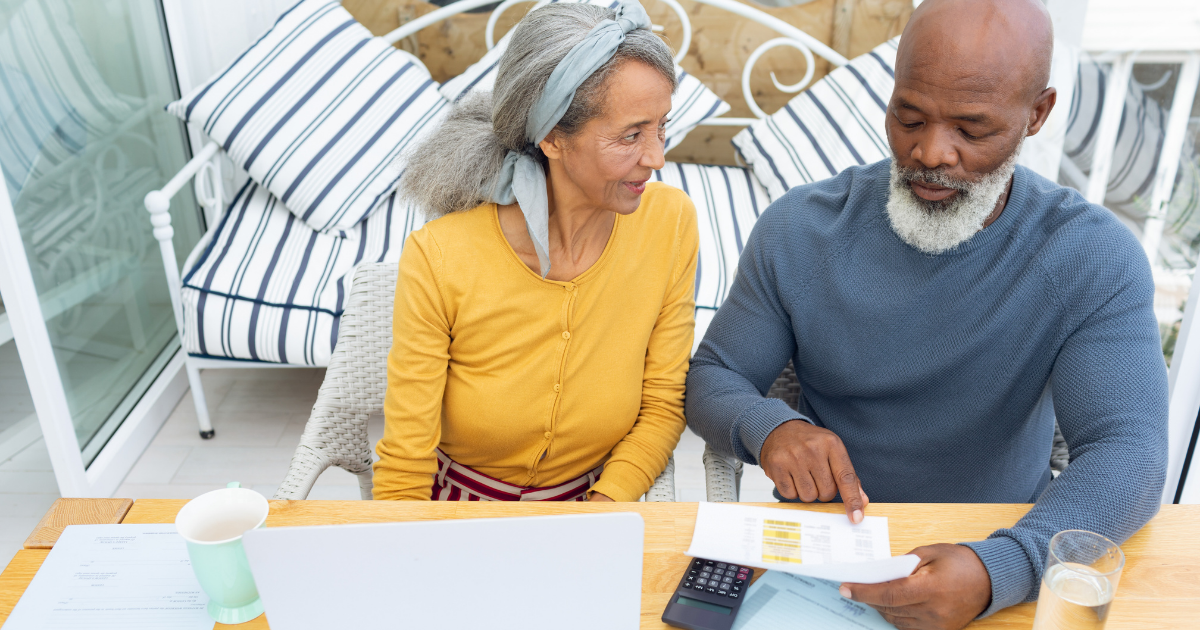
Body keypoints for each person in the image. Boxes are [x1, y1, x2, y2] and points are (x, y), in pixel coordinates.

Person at [685, 0, 1167, 627]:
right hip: (828, 556)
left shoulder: (1089, 256)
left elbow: (1129, 452)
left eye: (971, 129)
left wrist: (1005, 566)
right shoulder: (800, 231)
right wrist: (766, 425)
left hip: (997, 553)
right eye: (909, 117)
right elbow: (712, 376)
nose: (931, 153)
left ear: (1038, 115)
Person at [372, 1, 698, 503]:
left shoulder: (671, 223)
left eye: (661, 127)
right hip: (457, 515)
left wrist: (604, 506)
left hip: (599, 506)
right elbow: (406, 461)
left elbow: (661, 404)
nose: (655, 157)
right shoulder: (440, 256)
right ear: (551, 138)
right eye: (631, 134)